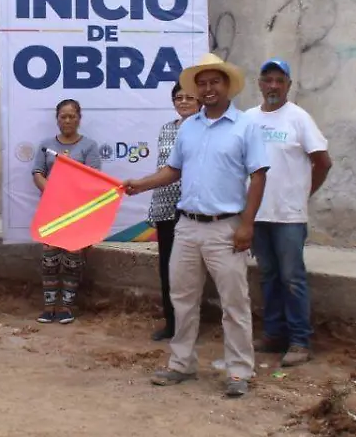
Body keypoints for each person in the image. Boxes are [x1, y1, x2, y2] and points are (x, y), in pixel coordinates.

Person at [125, 53, 270, 398]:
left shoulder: (246, 126)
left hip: (226, 228)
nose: (207, 88)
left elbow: (258, 176)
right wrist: (141, 184)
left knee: (234, 303)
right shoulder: (188, 127)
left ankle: (238, 371)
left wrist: (247, 225)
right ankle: (181, 364)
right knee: (183, 299)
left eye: (214, 82)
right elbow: (173, 170)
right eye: (202, 83)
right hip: (187, 226)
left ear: (227, 86)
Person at [247, 58, 332, 367]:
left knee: (292, 278)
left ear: (288, 86)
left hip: (289, 217)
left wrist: (303, 193)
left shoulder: (298, 118)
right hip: (258, 215)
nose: (273, 86)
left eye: (279, 81)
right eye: (268, 80)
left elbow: (323, 162)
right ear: (259, 83)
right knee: (268, 276)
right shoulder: (248, 119)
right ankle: (273, 335)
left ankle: (299, 340)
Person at [32, 98, 101, 325]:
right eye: (63, 116)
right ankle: (48, 307)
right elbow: (37, 173)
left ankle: (66, 308)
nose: (68, 120)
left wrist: (72, 195)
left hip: (77, 211)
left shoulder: (89, 146)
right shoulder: (45, 145)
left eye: (72, 116)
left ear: (79, 119)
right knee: (49, 259)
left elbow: (93, 178)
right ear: (57, 119)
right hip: (52, 210)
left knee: (73, 258)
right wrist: (53, 194)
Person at [146, 83, 201, 342]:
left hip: (193, 208)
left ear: (200, 102)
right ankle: (171, 323)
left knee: (191, 271)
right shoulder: (166, 129)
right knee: (168, 268)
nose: (184, 102)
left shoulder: (204, 128)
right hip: (165, 208)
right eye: (179, 98)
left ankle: (191, 325)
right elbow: (162, 168)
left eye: (190, 97)